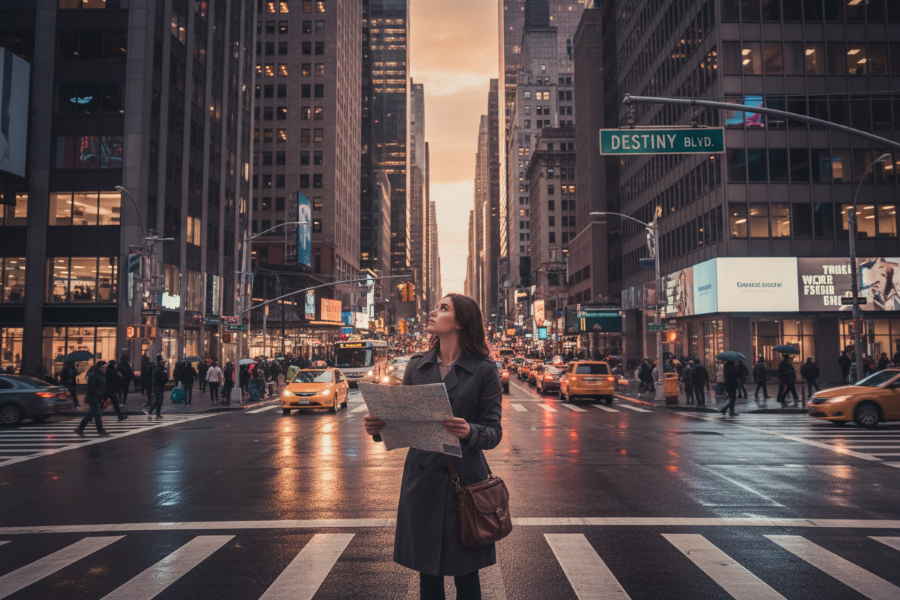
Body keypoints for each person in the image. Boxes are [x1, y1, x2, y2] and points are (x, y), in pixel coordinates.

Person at [364, 293, 502, 599]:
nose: (432, 312)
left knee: (466, 577)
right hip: (422, 483)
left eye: (443, 309)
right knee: (428, 576)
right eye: (436, 307)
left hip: (464, 486)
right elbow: (404, 422)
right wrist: (379, 427)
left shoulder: (483, 370)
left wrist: (469, 431)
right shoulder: (417, 367)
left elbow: (493, 432)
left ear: (461, 322)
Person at [73, 361, 112, 437]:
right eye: (102, 367)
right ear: (98, 367)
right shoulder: (94, 375)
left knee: (90, 415)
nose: (104, 369)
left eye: (104, 367)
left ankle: (80, 429)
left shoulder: (101, 375)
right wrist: (99, 395)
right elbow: (92, 388)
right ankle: (101, 431)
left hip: (97, 398)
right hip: (93, 398)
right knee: (97, 416)